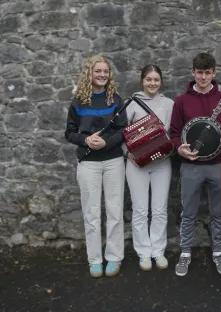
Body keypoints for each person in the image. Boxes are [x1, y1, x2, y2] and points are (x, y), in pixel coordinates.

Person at [169, 52, 221, 277]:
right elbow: (174, 133)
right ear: (193, 72)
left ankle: (218, 251)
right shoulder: (181, 101)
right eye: (200, 73)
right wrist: (179, 148)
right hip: (191, 166)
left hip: (217, 165)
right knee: (188, 212)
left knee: (218, 212)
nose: (204, 77)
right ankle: (185, 252)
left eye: (208, 73)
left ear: (214, 73)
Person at [65, 55, 127, 278]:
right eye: (97, 71)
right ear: (89, 73)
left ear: (109, 75)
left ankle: (114, 257)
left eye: (105, 71)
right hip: (88, 163)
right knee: (91, 213)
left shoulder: (116, 100)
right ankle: (94, 260)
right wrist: (85, 140)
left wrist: (106, 143)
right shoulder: (79, 101)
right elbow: (69, 132)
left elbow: (123, 130)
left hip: (113, 162)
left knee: (114, 212)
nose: (102, 75)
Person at [124, 64, 174, 271]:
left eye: (156, 79)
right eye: (148, 79)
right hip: (136, 164)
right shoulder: (131, 104)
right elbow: (122, 134)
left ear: (161, 81)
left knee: (160, 209)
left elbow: (173, 132)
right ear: (142, 81)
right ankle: (144, 252)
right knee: (140, 210)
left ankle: (158, 251)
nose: (152, 83)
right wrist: (129, 154)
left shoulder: (169, 104)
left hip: (162, 163)